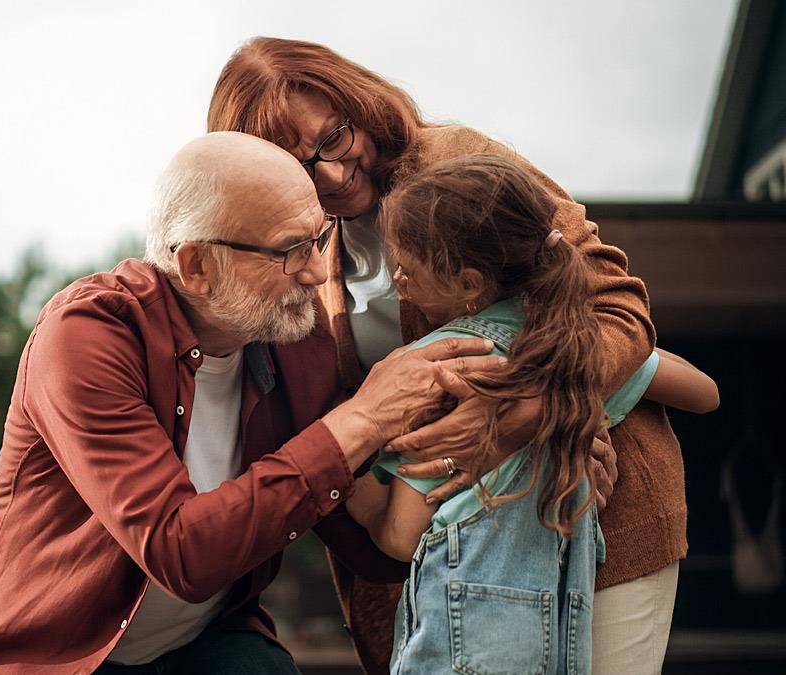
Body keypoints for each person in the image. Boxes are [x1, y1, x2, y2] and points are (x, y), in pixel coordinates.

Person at [0, 132, 504, 674]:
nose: (315, 272)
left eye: (318, 239)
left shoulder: (297, 338)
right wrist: (363, 416)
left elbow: (373, 541)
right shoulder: (88, 336)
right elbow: (180, 552)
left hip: (208, 643)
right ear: (196, 267)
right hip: (55, 657)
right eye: (289, 251)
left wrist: (507, 432)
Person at [208, 36, 686, 674]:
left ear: (359, 104)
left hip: (592, 520)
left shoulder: (455, 165)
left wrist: (531, 412)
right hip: (451, 567)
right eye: (297, 164)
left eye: (333, 138)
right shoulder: (297, 253)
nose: (329, 173)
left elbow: (619, 311)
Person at [341, 154, 718, 674]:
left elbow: (402, 536)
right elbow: (705, 393)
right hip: (558, 632)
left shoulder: (431, 368)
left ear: (469, 283)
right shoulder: (570, 349)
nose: (398, 278)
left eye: (405, 263)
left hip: (459, 640)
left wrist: (348, 489)